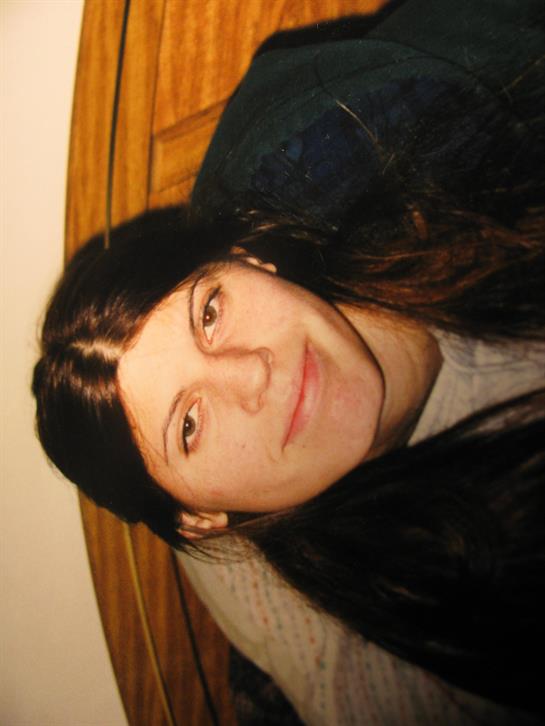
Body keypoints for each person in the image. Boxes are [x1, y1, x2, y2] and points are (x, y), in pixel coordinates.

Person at [33, 0, 544, 721]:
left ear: (247, 260)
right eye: (189, 426)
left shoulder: (394, 149)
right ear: (202, 519)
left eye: (209, 313)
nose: (250, 373)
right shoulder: (387, 667)